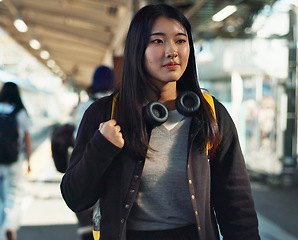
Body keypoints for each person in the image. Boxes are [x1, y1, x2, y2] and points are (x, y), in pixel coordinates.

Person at [60, 4, 260, 240]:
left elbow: (236, 202)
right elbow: (76, 198)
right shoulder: (105, 113)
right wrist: (101, 147)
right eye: (158, 41)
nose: (172, 51)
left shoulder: (210, 113)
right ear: (138, 50)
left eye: (180, 41)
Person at [0, 82, 33, 240]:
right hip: (13, 163)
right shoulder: (19, 112)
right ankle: (10, 225)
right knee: (14, 197)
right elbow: (27, 138)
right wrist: (29, 161)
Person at [72, 65, 115, 240]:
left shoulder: (85, 107)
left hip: (88, 166)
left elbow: (76, 138)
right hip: (113, 169)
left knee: (87, 213)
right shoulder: (117, 104)